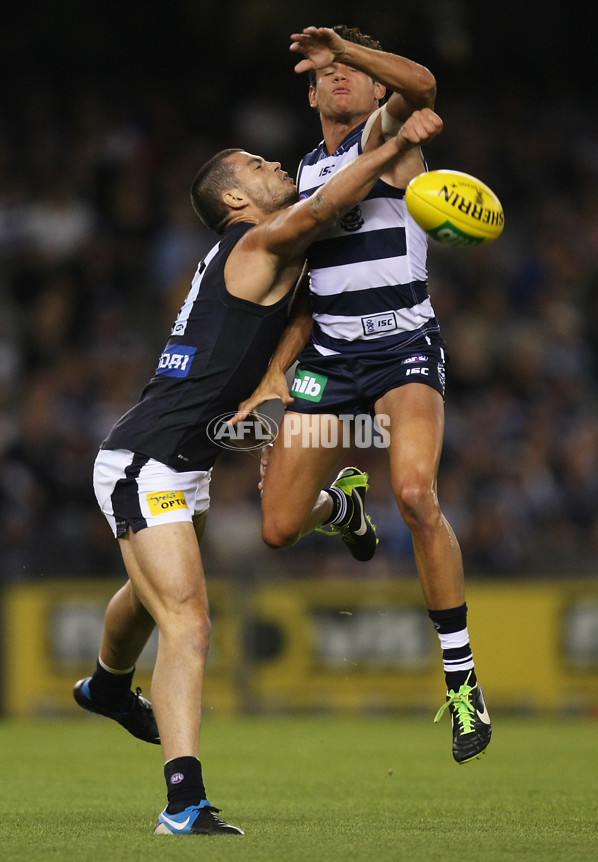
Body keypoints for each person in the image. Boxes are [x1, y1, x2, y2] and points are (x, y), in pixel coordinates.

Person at [72, 106, 444, 837]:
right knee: (189, 623)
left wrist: (276, 374)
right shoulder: (257, 240)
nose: (274, 165)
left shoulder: (264, 250)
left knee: (149, 601)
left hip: (183, 459)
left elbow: (314, 288)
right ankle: (183, 804)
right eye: (255, 165)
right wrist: (397, 144)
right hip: (144, 458)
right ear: (234, 201)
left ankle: (109, 688)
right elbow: (335, 201)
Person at [234, 25, 492, 765]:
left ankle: (462, 683)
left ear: (375, 88)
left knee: (415, 494)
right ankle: (342, 507)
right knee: (280, 527)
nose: (339, 78)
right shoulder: (300, 179)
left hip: (402, 349)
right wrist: (273, 374)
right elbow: (307, 297)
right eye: (324, 74)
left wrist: (343, 46)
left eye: (351, 70)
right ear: (309, 94)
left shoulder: (390, 138)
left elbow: (424, 87)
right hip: (329, 361)